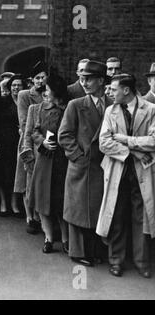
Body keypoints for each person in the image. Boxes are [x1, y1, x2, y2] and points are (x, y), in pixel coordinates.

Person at [97, 74, 155, 278]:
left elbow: (154, 141)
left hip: (143, 172)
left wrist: (126, 139)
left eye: (113, 89)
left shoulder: (150, 109)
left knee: (142, 217)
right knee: (116, 215)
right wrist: (134, 150)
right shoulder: (110, 111)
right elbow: (104, 143)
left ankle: (142, 262)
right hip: (117, 170)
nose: (110, 93)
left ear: (126, 90)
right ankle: (116, 261)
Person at [58, 60, 113, 266]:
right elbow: (64, 135)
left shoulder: (112, 105)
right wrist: (78, 158)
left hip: (103, 165)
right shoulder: (76, 104)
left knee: (97, 209)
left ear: (101, 81)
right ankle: (77, 251)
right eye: (83, 78)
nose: (85, 82)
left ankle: (95, 250)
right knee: (78, 210)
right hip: (82, 166)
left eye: (89, 79)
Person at [26, 72, 69, 254]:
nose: (46, 91)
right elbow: (34, 132)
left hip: (62, 160)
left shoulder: (68, 109)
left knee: (60, 202)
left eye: (49, 89)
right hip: (44, 159)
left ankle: (66, 239)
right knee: (43, 201)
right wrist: (42, 141)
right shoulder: (40, 109)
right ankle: (48, 238)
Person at [15, 61, 47, 234]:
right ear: (31, 79)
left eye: (43, 77)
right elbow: (24, 121)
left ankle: (42, 217)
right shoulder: (25, 95)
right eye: (37, 77)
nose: (40, 81)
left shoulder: (49, 94)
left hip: (45, 141)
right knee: (28, 180)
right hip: (28, 140)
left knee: (42, 181)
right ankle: (30, 217)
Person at [0, 74, 24, 216]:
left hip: (20, 142)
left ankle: (14, 203)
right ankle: (4, 203)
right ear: (9, 87)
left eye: (19, 85)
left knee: (17, 174)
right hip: (4, 142)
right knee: (3, 174)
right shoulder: (1, 101)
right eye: (14, 85)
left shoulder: (25, 101)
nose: (16, 87)